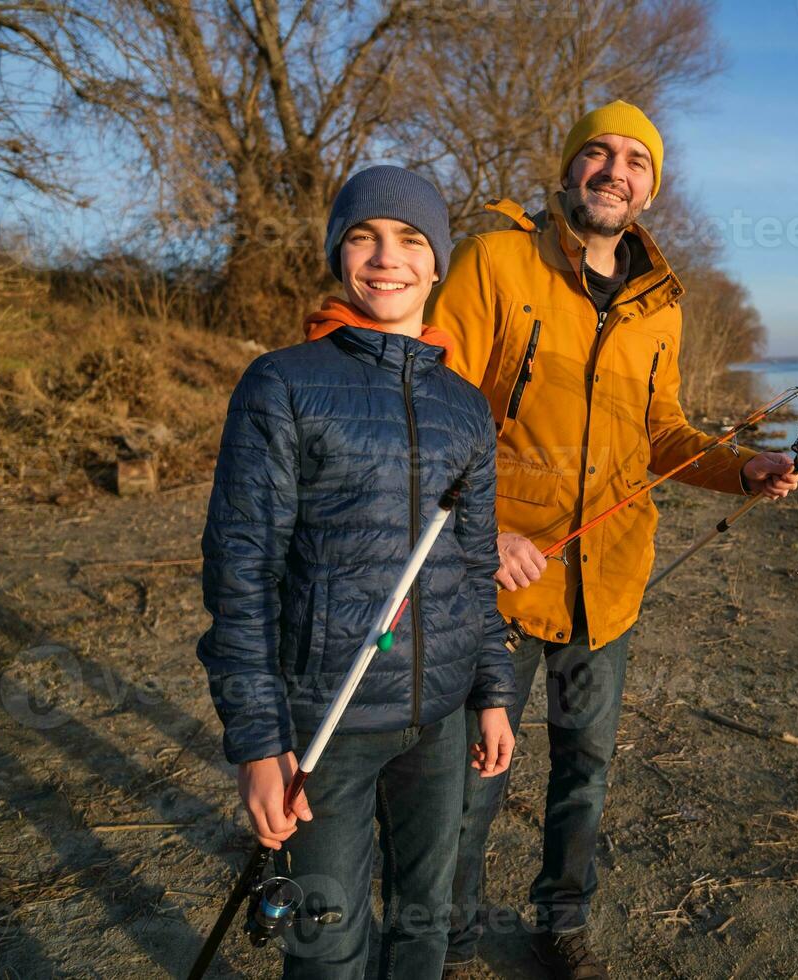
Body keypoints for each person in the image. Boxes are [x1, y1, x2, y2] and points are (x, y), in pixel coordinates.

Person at [425, 101, 798, 978]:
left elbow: (662, 434)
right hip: (501, 579)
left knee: (584, 768)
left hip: (613, 580)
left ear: (649, 189)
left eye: (636, 160)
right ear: (569, 168)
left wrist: (741, 468)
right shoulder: (495, 261)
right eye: (598, 152)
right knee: (474, 776)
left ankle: (562, 923)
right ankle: (445, 940)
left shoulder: (661, 306)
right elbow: (436, 413)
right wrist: (491, 533)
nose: (614, 169)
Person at [196, 165, 518, 980]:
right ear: (339, 252)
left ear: (438, 262)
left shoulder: (467, 405)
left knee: (425, 921)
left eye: (411, 240)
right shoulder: (284, 382)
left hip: (440, 718)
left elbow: (474, 567)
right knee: (327, 935)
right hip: (324, 723)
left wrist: (492, 694)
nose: (387, 258)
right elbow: (241, 570)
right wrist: (258, 741)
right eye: (364, 237)